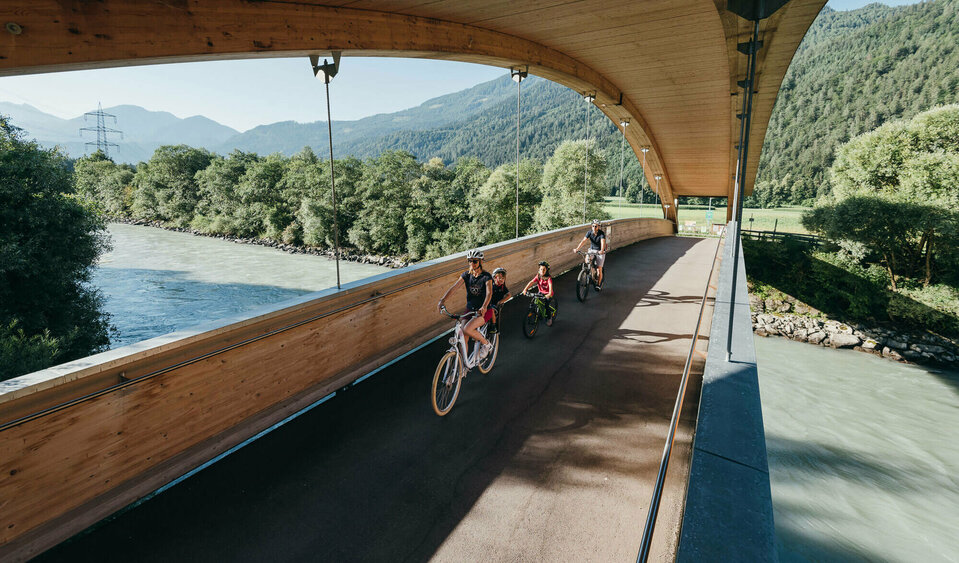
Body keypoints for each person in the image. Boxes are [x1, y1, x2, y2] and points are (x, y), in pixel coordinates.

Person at [437, 249, 494, 360]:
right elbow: (454, 288)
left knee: (467, 329)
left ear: (480, 262)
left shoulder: (486, 277)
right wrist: (442, 300)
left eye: (474, 261)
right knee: (463, 337)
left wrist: (484, 306)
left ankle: (487, 344)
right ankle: (464, 367)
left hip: (484, 310)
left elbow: (489, 293)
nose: (472, 264)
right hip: (470, 309)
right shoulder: (466, 275)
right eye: (469, 261)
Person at [573, 219, 607, 290]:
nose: (594, 228)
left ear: (599, 227)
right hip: (592, 250)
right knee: (587, 261)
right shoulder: (589, 233)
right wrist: (577, 249)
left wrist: (601, 250)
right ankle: (590, 271)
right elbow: (583, 241)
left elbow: (603, 242)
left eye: (596, 226)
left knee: (599, 269)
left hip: (600, 251)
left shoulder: (601, 234)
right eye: (593, 226)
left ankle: (598, 284)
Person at [522, 261, 557, 326]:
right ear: (539, 270)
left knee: (546, 305)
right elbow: (531, 282)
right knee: (533, 302)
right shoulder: (538, 276)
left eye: (544, 269)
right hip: (541, 292)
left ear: (547, 270)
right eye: (541, 269)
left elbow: (550, 287)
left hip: (548, 293)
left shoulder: (549, 278)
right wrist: (525, 289)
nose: (542, 271)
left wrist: (549, 294)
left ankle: (549, 318)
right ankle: (535, 313)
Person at [488, 267, 511, 333]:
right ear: (494, 277)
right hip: (488, 303)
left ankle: (493, 326)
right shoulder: (491, 285)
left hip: (495, 305)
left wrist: (501, 301)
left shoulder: (503, 287)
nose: (502, 280)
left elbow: (509, 295)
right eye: (500, 278)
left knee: (491, 309)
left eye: (503, 278)